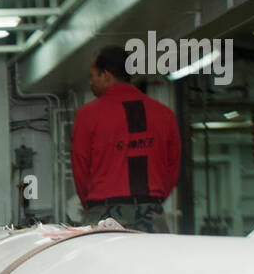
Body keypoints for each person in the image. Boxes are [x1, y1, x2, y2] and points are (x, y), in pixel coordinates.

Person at [72, 45, 181, 233]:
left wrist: (92, 205)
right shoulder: (164, 114)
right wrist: (152, 201)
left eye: (93, 76)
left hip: (104, 212)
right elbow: (172, 167)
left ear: (106, 75)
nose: (91, 82)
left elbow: (80, 169)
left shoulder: (87, 115)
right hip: (151, 212)